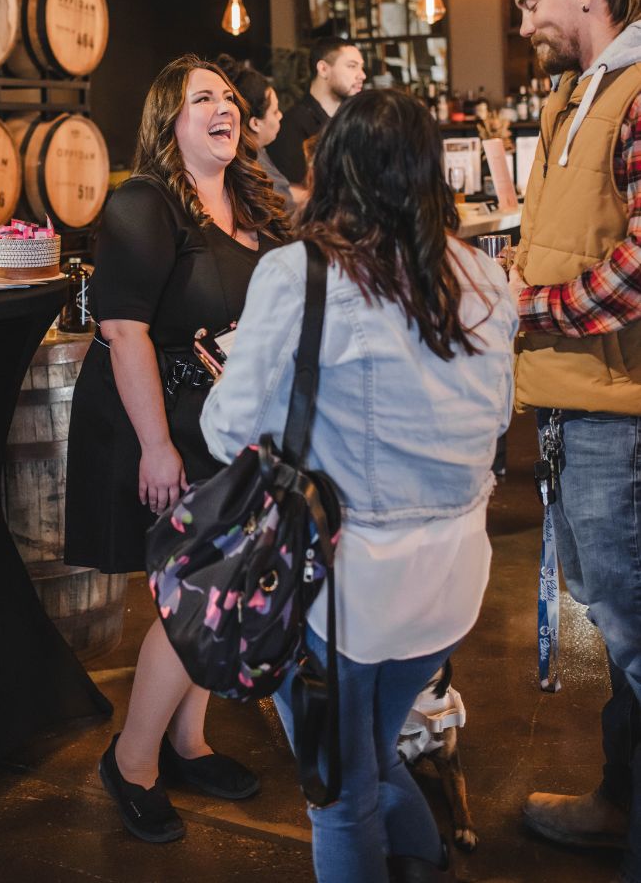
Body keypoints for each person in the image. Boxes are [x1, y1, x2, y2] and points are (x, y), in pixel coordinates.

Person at [200, 88, 517, 883]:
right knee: (371, 757)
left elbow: (224, 429)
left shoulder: (302, 271)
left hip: (350, 588)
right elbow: (493, 417)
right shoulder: (483, 278)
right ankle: (421, 866)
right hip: (452, 580)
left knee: (338, 796)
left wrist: (245, 379)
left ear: (332, 165)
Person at [64, 54, 288, 843]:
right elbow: (122, 330)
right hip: (152, 419)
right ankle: (132, 762)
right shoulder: (143, 203)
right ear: (170, 119)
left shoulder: (253, 198)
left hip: (224, 422)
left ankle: (187, 742)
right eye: (203, 99)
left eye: (229, 97)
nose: (223, 107)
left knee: (211, 590)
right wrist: (155, 446)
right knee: (199, 594)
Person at [507, 0, 641, 883]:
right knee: (611, 612)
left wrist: (536, 308)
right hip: (576, 397)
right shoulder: (570, 95)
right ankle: (617, 805)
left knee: (629, 622)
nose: (522, 22)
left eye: (529, 0)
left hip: (618, 409)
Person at [266, 35, 366, 196]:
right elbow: (290, 194)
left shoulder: (354, 121)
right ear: (323, 69)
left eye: (361, 67)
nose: (362, 75)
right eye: (352, 66)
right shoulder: (292, 124)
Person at [216, 54, 296, 213]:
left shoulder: (252, 153)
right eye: (275, 111)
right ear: (255, 123)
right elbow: (287, 211)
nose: (280, 115)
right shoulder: (253, 167)